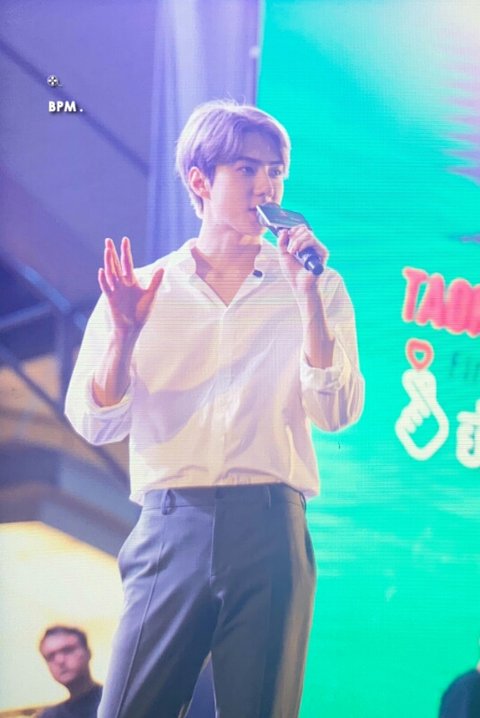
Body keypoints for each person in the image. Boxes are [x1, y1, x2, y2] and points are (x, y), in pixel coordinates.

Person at [65, 99, 364, 717]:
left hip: (271, 522)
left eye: (275, 171)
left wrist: (307, 299)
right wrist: (123, 335)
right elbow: (95, 421)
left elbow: (335, 411)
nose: (266, 186)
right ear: (200, 180)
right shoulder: (143, 288)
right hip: (170, 523)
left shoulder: (318, 284)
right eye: (247, 169)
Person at [37, 626, 102, 718]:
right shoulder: (48, 716)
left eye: (67, 650)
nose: (59, 661)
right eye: (51, 656)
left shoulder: (116, 700)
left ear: (88, 652)